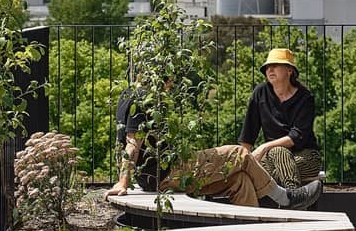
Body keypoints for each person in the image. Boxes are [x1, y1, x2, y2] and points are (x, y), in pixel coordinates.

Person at [106, 85, 322, 209]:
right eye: (170, 81)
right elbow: (132, 143)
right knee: (238, 153)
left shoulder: (127, 95)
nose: (171, 87)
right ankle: (286, 198)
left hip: (167, 170)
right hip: (166, 172)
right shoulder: (142, 98)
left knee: (240, 180)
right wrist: (123, 181)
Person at [239, 47, 323, 205]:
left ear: (289, 70)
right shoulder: (260, 92)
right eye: (267, 67)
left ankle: (290, 196)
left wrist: (265, 147)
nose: (269, 69)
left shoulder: (305, 97)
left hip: (305, 157)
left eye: (275, 65)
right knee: (274, 157)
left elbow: (296, 136)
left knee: (277, 155)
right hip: (271, 159)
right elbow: (248, 133)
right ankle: (295, 199)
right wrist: (244, 162)